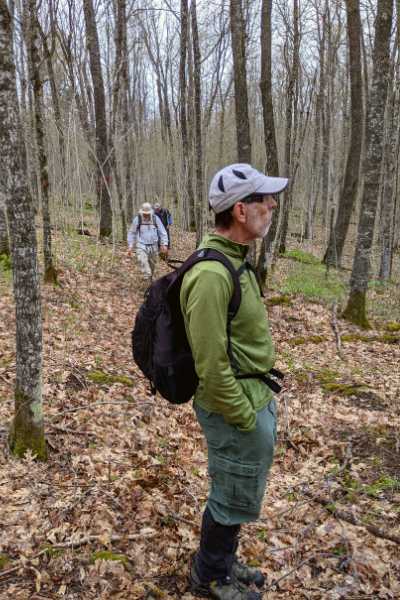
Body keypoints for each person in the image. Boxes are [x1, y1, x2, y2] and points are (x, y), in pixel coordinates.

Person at [180, 164, 289, 600]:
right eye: (265, 199)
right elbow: (210, 364)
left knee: (236, 488)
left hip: (251, 396)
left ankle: (222, 561)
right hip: (233, 406)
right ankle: (209, 575)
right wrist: (245, 417)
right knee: (229, 492)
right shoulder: (210, 275)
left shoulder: (236, 260)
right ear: (241, 211)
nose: (273, 205)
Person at [127, 202, 168, 283]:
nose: (146, 215)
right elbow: (132, 233)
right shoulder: (137, 219)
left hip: (153, 246)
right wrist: (130, 246)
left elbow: (162, 232)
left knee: (152, 266)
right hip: (141, 245)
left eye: (147, 213)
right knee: (144, 262)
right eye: (144, 213)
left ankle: (149, 281)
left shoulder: (155, 219)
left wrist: (165, 244)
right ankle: (146, 283)